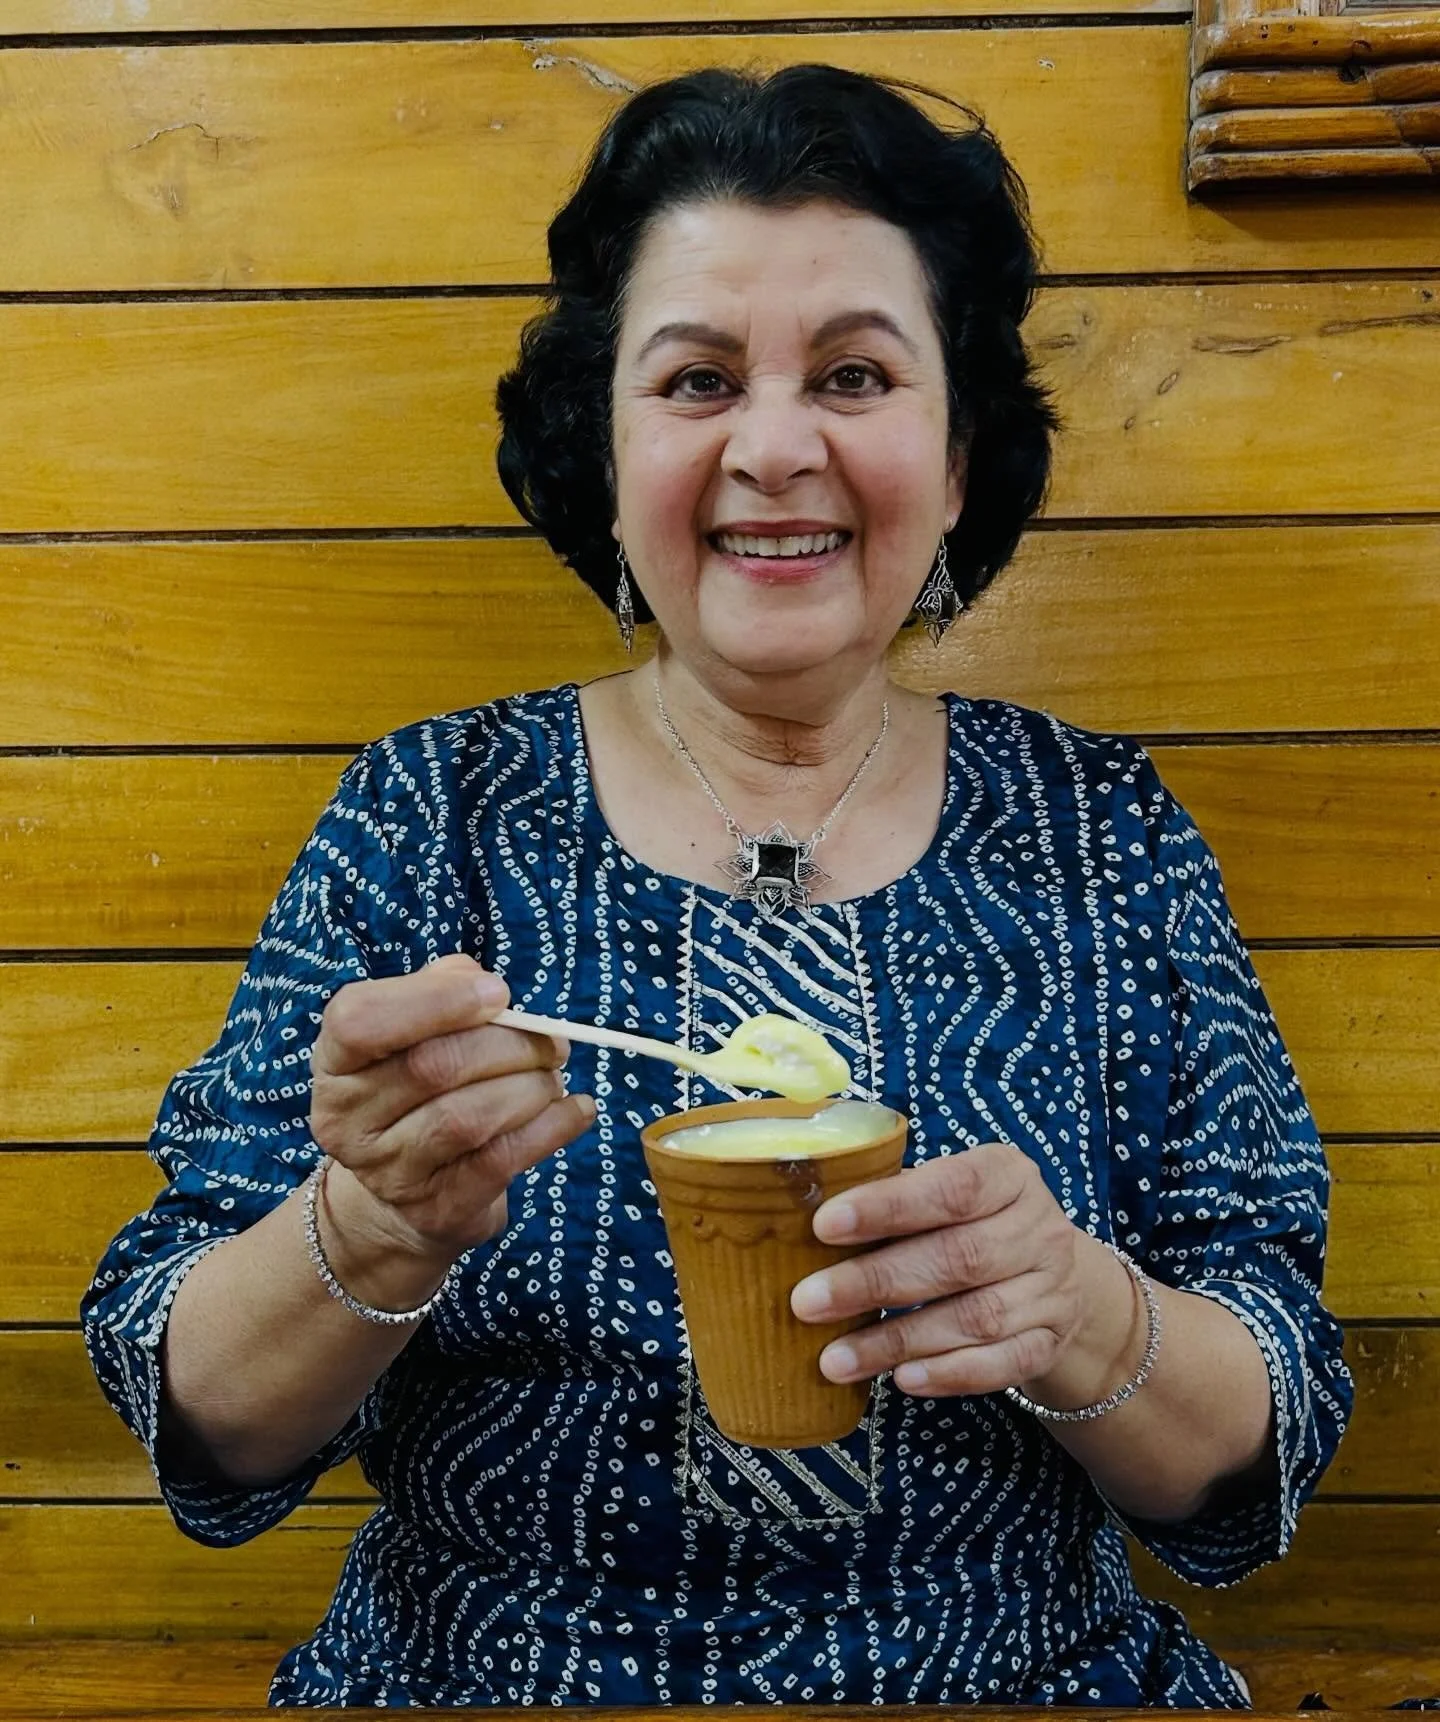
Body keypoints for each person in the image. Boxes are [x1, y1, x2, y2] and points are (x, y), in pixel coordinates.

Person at [83, 64, 1352, 1708]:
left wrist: (1088, 1316)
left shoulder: (1098, 828)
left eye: (852, 373)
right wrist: (373, 1228)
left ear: (957, 456)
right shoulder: (435, 812)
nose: (773, 446)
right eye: (694, 380)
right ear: (603, 455)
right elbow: (193, 1407)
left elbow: (1266, 1438)